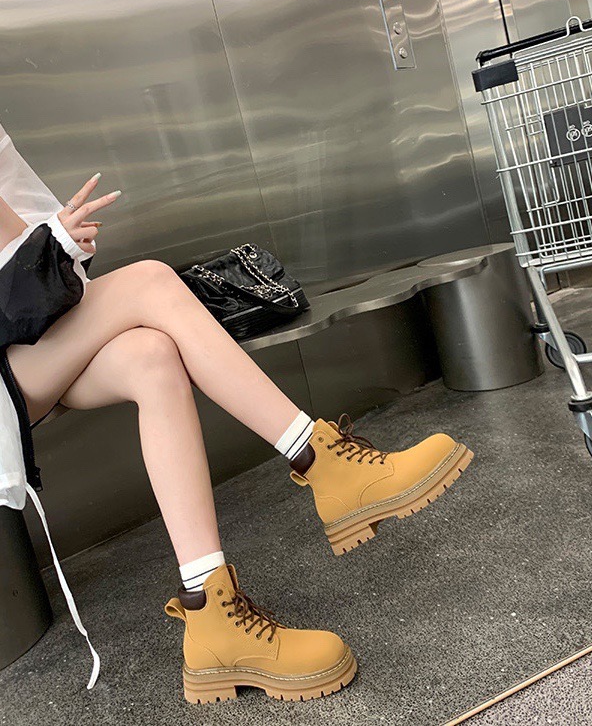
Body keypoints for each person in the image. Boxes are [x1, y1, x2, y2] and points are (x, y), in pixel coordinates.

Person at [0, 123, 472, 704]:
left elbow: (33, 280)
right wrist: (53, 246)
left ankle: (211, 617)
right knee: (151, 281)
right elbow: (20, 277)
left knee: (153, 357)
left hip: (27, 349)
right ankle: (321, 460)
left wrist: (60, 247)